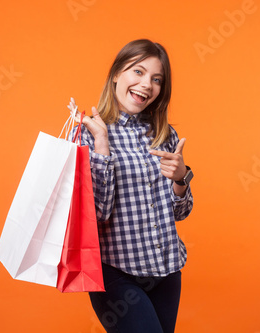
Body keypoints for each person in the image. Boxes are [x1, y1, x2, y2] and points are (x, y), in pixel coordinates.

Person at [68, 39, 193, 333]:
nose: (146, 84)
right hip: (115, 272)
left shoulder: (166, 134)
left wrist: (180, 178)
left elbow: (181, 212)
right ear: (116, 74)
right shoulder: (86, 133)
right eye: (138, 72)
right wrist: (101, 144)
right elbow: (96, 214)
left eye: (156, 79)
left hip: (167, 270)